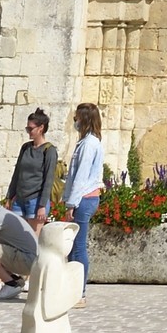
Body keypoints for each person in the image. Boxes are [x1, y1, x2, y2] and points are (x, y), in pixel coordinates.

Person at [62, 102, 104, 291]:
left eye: (77, 117)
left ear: (84, 119)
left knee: (78, 246)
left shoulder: (88, 144)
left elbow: (81, 176)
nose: (75, 121)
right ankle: (72, 288)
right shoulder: (89, 142)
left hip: (84, 199)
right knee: (72, 247)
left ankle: (80, 291)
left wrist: (71, 203)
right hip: (85, 198)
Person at [7, 110, 57, 230]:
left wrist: (42, 205)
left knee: (33, 239)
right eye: (27, 129)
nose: (28, 132)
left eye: (31, 129)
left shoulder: (49, 151)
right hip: (19, 199)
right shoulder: (25, 148)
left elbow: (48, 179)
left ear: (41, 128)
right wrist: (9, 197)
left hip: (36, 200)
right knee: (17, 237)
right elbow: (17, 173)